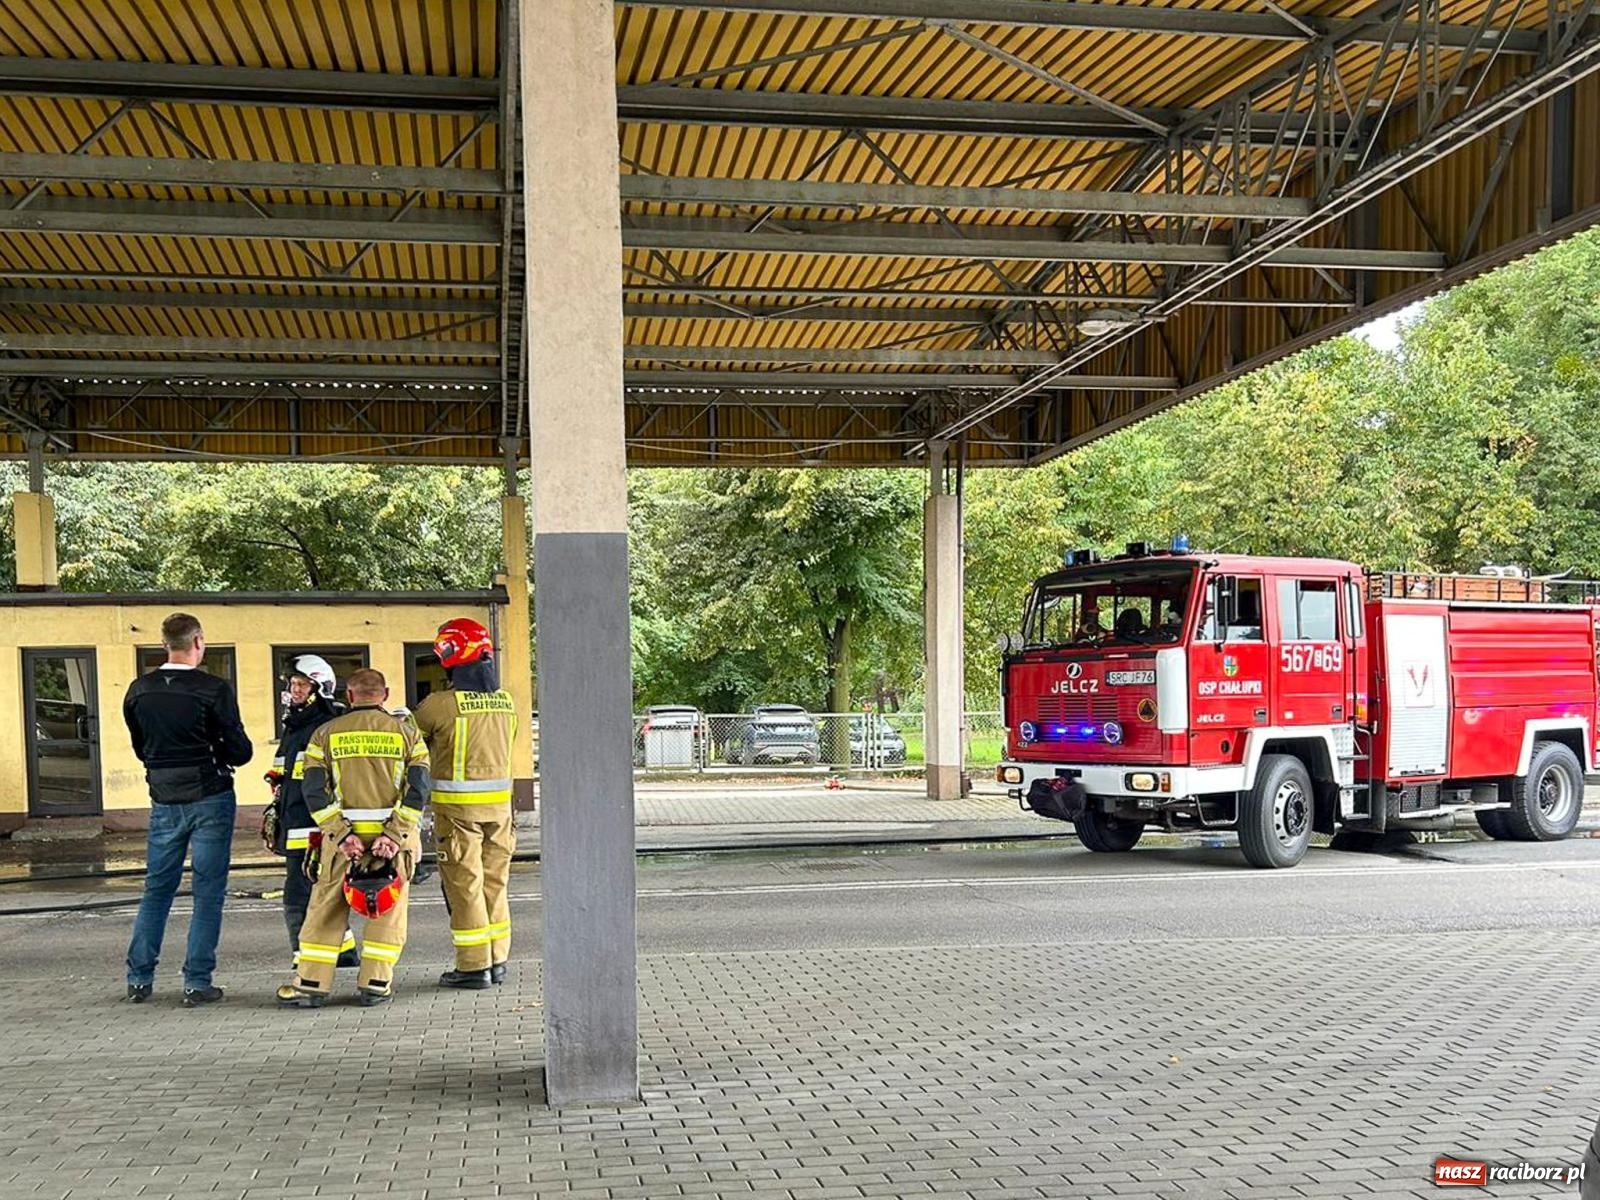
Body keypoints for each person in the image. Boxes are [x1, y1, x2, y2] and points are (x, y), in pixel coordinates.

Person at [279, 668, 430, 1008]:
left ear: (349, 696)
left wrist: (341, 835)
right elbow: (418, 791)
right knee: (388, 912)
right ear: (385, 695)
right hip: (392, 846)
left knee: (325, 911)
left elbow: (314, 792)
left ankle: (311, 985)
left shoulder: (324, 734)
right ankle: (375, 984)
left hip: (342, 846)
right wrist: (394, 835)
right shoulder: (408, 735)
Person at [123, 612, 253, 1007]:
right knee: (208, 892)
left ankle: (139, 979)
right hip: (211, 795)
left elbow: (140, 747)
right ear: (198, 642)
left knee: (156, 889)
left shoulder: (139, 690)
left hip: (164, 798)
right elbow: (240, 751)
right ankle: (197, 982)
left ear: (164, 644)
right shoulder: (213, 689)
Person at [412, 618, 518, 989]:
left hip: (458, 816)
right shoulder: (506, 702)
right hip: (501, 814)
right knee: (495, 886)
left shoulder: (439, 705)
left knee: (465, 888)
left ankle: (473, 968)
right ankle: (497, 960)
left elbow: (409, 744)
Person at [264, 656, 357, 997]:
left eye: (302, 684)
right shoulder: (296, 723)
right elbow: (284, 766)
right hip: (293, 816)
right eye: (292, 684)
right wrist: (275, 783)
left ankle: (305, 957)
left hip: (313, 822)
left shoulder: (327, 724)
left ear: (320, 688)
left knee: (299, 892)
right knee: (320, 890)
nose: (295, 690)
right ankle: (344, 953)